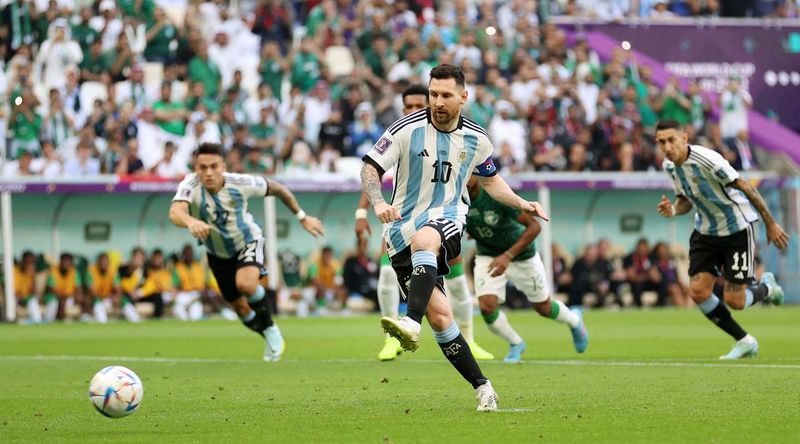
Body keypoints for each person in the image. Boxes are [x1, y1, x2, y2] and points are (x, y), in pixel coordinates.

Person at [360, 65, 549, 411]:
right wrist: (377, 202)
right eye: (433, 94)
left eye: (445, 95)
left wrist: (521, 202)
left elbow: (490, 181)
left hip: (447, 218)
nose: (437, 102)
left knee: (425, 240)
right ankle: (484, 388)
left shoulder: (478, 139)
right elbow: (370, 166)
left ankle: (409, 321)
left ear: (463, 97)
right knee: (441, 318)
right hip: (399, 230)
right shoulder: (405, 129)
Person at [354, 83, 493, 362]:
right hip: (401, 217)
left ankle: (469, 338)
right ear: (403, 108)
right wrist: (362, 212)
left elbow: (474, 177)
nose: (416, 110)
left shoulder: (454, 134)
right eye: (410, 106)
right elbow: (373, 172)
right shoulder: (403, 133)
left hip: (442, 217)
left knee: (456, 282)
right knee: (386, 274)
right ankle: (391, 338)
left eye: (420, 105)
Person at [169, 143, 324, 361]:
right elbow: (175, 212)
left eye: (214, 166)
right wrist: (190, 221)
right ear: (196, 168)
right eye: (202, 167)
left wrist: (302, 217)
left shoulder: (241, 182)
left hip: (247, 241)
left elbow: (278, 188)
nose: (208, 172)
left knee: (246, 284)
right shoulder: (190, 184)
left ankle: (271, 328)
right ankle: (266, 332)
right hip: (217, 253)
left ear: (223, 166)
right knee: (240, 308)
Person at [655, 119, 788, 359]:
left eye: (671, 140)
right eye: (661, 142)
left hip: (737, 229)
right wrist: (673, 210)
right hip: (706, 232)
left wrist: (770, 223)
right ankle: (745, 341)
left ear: (684, 138)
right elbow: (685, 199)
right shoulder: (670, 167)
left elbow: (746, 187)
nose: (667, 147)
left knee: (735, 300)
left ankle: (768, 288)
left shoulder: (708, 159)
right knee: (698, 291)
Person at [465, 176, 588, 363]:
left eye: (469, 173)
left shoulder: (495, 196)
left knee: (543, 308)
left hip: (521, 255)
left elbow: (534, 227)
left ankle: (574, 320)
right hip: (488, 255)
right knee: (486, 307)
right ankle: (516, 343)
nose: (465, 178)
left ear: (476, 174)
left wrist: (507, 256)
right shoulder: (457, 198)